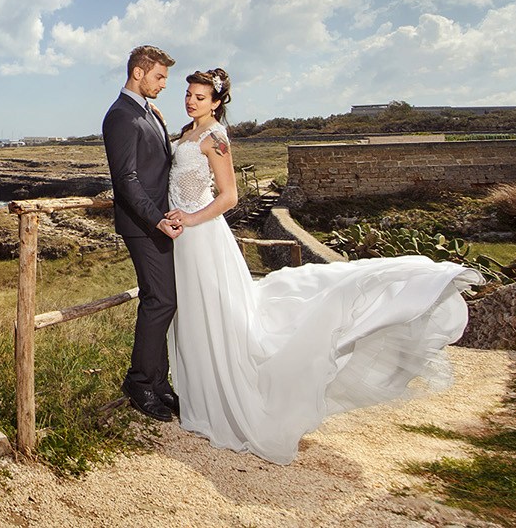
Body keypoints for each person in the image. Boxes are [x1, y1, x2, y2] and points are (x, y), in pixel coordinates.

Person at [164, 67, 482, 464]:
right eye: (188, 95)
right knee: (195, 312)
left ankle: (225, 399)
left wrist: (191, 218)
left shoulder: (215, 138)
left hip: (201, 234)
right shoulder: (187, 132)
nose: (191, 101)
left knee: (214, 312)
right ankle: (199, 393)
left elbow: (229, 197)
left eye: (199, 97)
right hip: (183, 236)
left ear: (216, 102)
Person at [102, 44, 184, 422]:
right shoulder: (120, 115)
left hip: (158, 221)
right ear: (139, 72)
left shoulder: (148, 113)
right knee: (160, 301)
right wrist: (156, 220)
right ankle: (138, 382)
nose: (164, 84)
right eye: (159, 76)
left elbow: (159, 165)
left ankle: (159, 382)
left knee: (163, 300)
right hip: (143, 225)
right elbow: (127, 180)